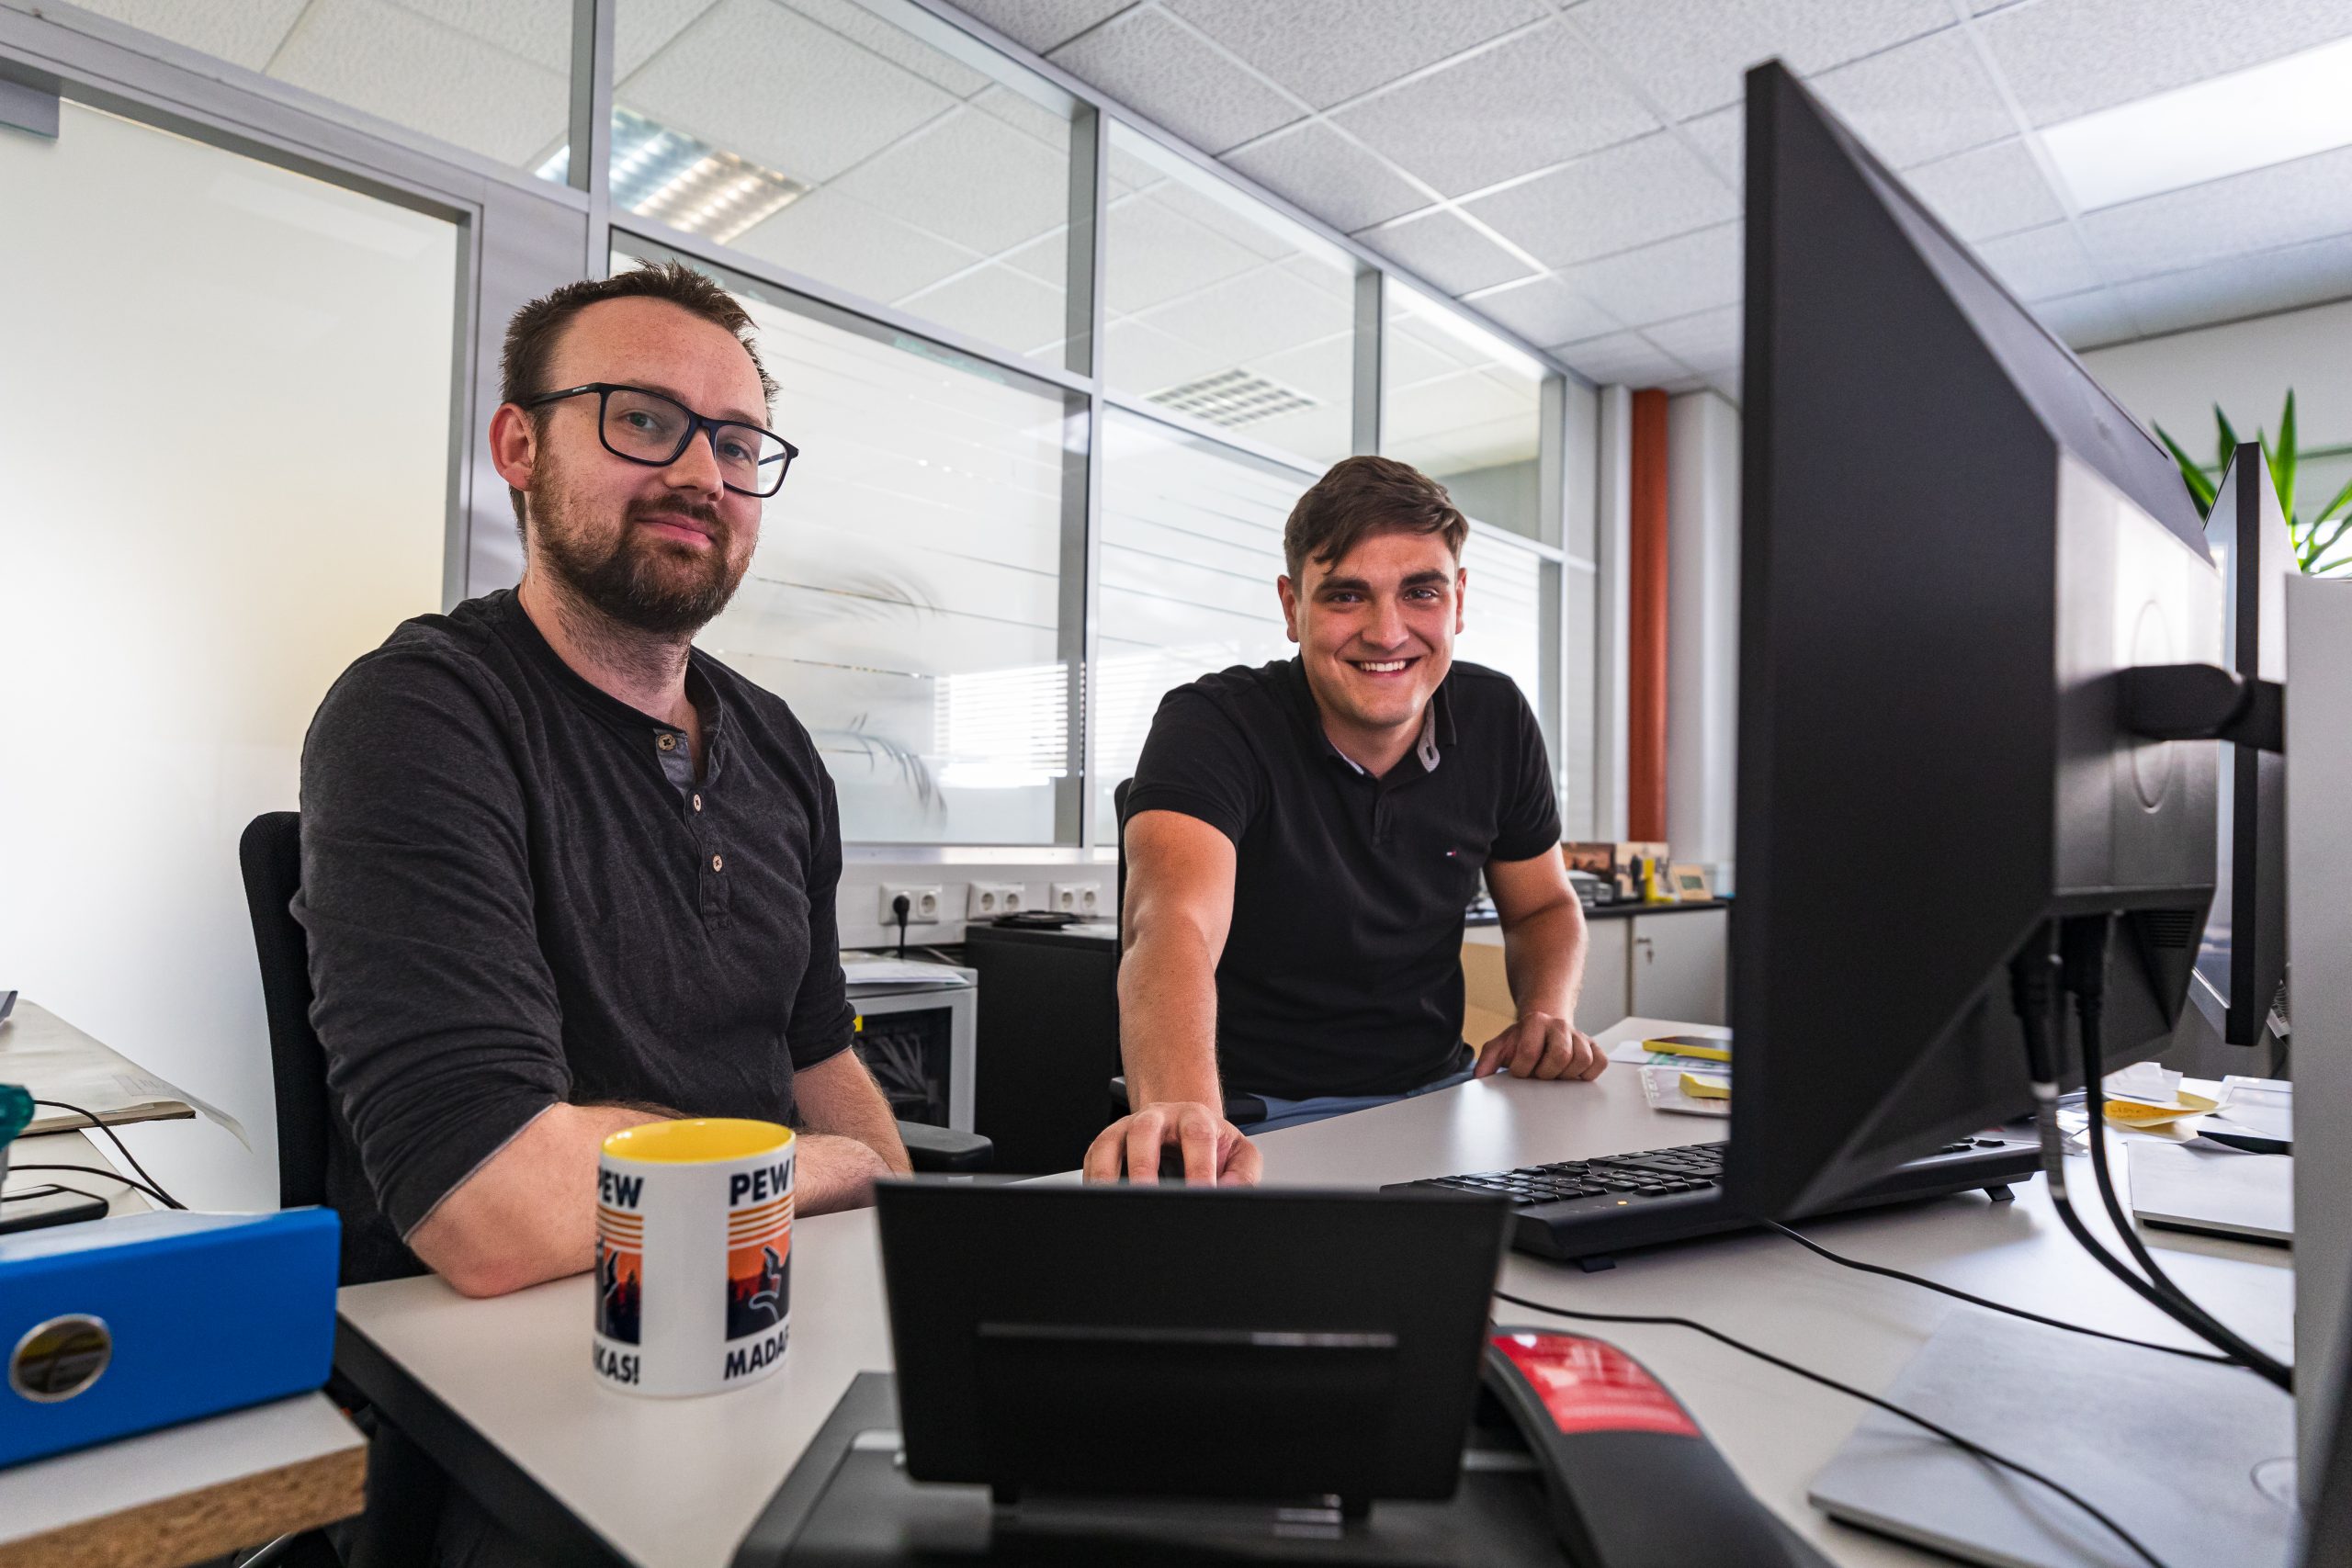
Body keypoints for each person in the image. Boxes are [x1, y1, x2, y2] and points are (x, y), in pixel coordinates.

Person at [298, 261, 909, 1299]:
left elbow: (816, 1057)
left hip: (763, 1289)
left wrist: (896, 1208)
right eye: (641, 419)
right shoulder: (422, 715)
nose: (701, 476)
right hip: (526, 1340)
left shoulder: (777, 746)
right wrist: (841, 1170)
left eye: (734, 442)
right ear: (520, 448)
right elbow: (490, 1202)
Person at [1086, 457, 1603, 1187]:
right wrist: (1186, 1115)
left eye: (1420, 592)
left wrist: (1547, 1011)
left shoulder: (1497, 718)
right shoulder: (1213, 722)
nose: (1387, 632)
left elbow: (1546, 903)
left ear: (1457, 600)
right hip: (1263, 1118)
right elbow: (1171, 922)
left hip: (1439, 1102)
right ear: (1292, 606)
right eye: (1347, 596)